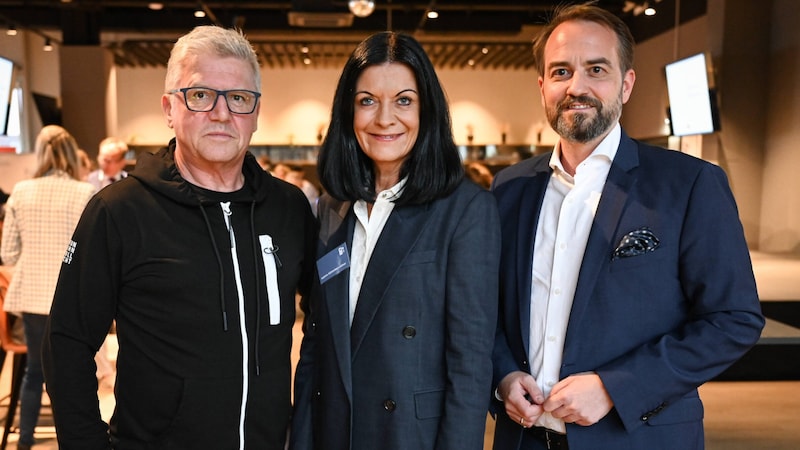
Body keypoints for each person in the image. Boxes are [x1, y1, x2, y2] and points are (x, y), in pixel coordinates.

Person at [490, 4, 765, 450]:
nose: (576, 86)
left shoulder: (690, 184)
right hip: (524, 439)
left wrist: (613, 387)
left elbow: (733, 319)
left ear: (627, 83)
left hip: (636, 439)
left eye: (596, 69)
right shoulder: (509, 188)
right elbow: (489, 311)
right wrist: (502, 374)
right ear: (542, 86)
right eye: (561, 71)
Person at [43, 25, 317, 449]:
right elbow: (67, 344)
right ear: (170, 108)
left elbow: (325, 318)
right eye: (201, 95)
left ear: (256, 114)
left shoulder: (288, 208)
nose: (222, 114)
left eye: (239, 98)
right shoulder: (120, 212)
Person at [290, 31, 501, 450]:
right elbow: (317, 343)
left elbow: (471, 366)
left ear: (427, 111)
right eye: (367, 101)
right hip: (333, 431)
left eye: (404, 100)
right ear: (348, 111)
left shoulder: (464, 210)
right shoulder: (333, 207)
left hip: (410, 436)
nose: (384, 118)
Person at [1, 125, 95, 450]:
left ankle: (24, 442)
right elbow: (94, 252)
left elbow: (8, 253)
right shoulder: (84, 193)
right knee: (73, 373)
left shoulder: (21, 191)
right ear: (72, 153)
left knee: (34, 373)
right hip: (72, 296)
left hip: (32, 296)